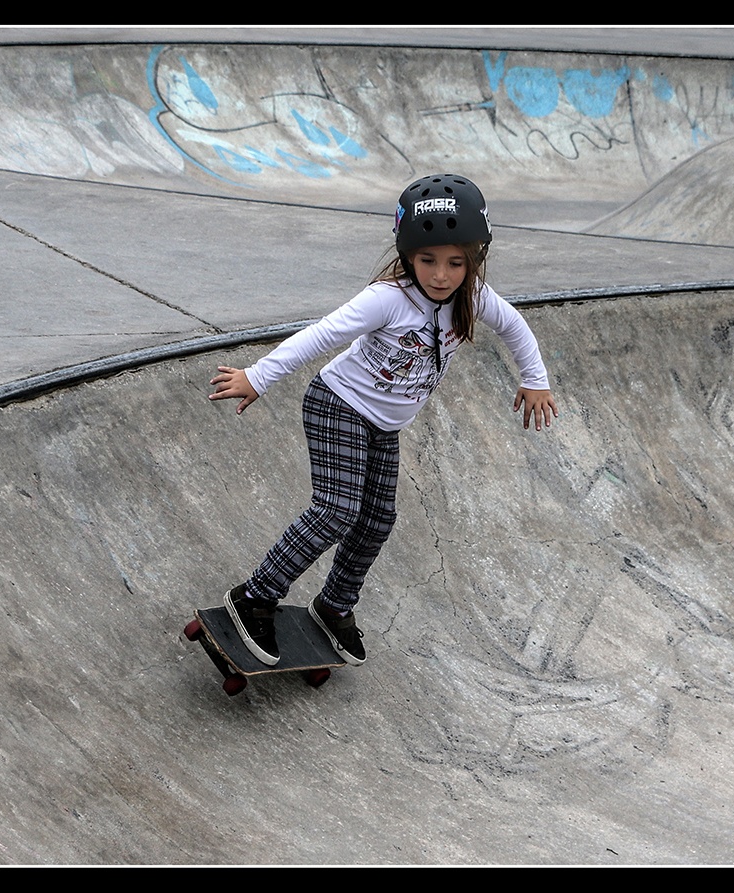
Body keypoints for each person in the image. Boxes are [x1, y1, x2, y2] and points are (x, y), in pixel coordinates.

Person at [208, 173, 558, 668]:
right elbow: (320, 335)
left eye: (456, 263)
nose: (441, 275)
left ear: (473, 261)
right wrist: (259, 377)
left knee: (377, 520)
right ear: (408, 255)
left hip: (383, 426)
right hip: (338, 404)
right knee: (337, 510)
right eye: (428, 261)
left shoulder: (474, 297)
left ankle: (334, 606)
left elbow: (516, 328)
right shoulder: (387, 298)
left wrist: (535, 379)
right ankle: (256, 596)